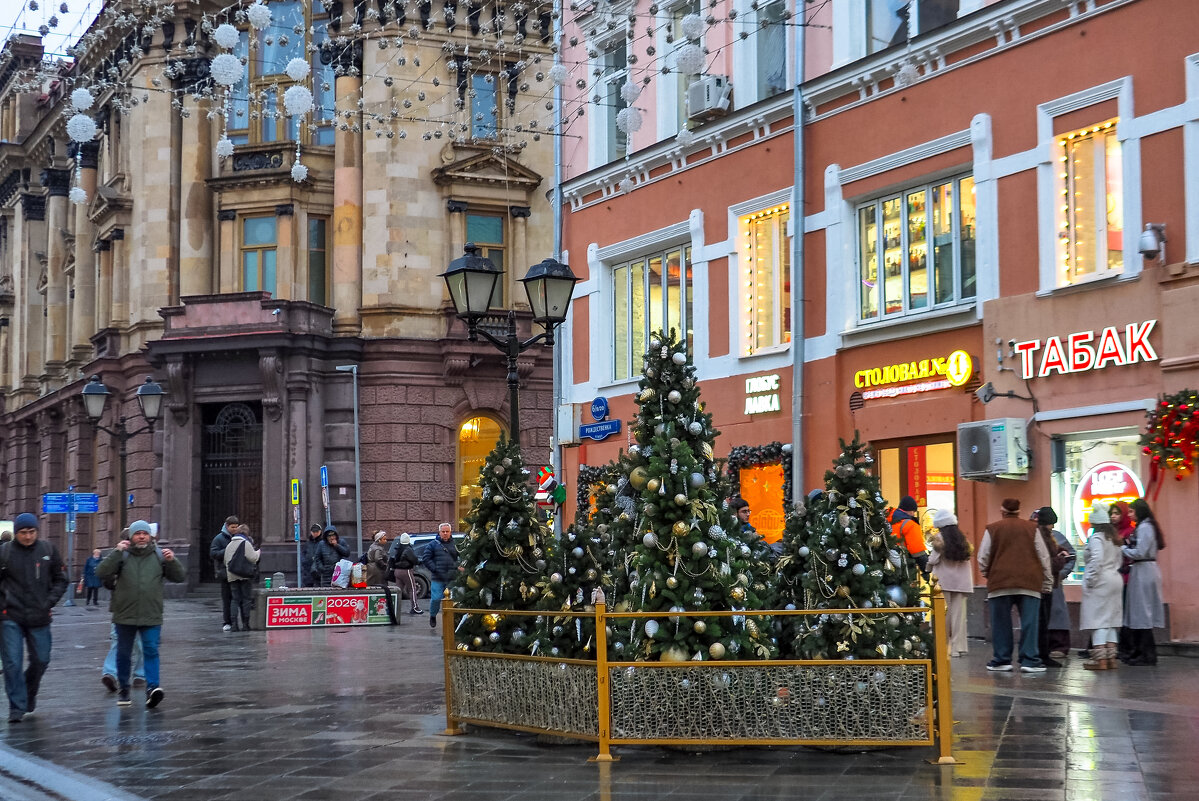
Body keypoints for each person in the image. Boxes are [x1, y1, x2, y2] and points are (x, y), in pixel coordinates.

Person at [96, 520, 186, 708]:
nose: (142, 536)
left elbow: (179, 577)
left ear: (151, 536)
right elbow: (101, 571)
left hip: (151, 613)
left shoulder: (160, 556)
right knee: (123, 653)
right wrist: (116, 552)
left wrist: (173, 561)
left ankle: (152, 688)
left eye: (145, 533)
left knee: (151, 650)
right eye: (138, 534)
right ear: (131, 536)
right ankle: (124, 690)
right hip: (124, 614)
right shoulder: (122, 555)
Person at [0, 513, 68, 723]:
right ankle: (17, 707)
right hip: (10, 615)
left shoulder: (48, 550)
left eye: (31, 532)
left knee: (41, 660)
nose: (28, 536)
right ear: (16, 533)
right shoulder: (5, 553)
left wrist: (49, 602)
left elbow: (61, 579)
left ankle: (29, 692)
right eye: (23, 533)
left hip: (39, 615)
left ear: (37, 531)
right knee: (12, 662)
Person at [977, 498, 1052, 673]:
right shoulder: (1032, 528)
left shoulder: (993, 528)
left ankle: (1002, 659)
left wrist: (989, 573)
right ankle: (1029, 660)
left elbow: (983, 556)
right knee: (1029, 623)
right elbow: (1044, 556)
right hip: (1029, 581)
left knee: (1001, 622)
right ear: (1019, 512)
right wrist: (1047, 581)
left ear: (1002, 512)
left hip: (1000, 581)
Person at [1080, 502, 1125, 670]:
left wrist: (1090, 579)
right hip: (1115, 579)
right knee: (1111, 620)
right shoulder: (1114, 538)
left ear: (1094, 523)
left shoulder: (1096, 538)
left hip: (1101, 582)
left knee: (1098, 620)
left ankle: (1101, 660)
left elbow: (1096, 559)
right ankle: (1111, 658)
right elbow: (1119, 560)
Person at [1122, 499, 1166, 666]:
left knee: (1142, 611)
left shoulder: (1145, 527)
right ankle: (1141, 651)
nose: (1130, 515)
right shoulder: (1145, 527)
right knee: (1141, 610)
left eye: (1132, 511)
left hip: (1143, 570)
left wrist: (1124, 549)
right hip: (1143, 570)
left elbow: (1140, 551)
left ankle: (1146, 653)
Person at [927, 510, 972, 658]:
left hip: (943, 582)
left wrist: (927, 568)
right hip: (961, 583)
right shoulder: (962, 539)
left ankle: (944, 644)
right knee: (958, 616)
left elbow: (933, 560)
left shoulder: (939, 539)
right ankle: (957, 648)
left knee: (944, 615)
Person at [1033, 507, 1075, 668]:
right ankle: (1041, 648)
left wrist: (1062, 573)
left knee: (1056, 613)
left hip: (1054, 584)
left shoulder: (1057, 537)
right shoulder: (1032, 536)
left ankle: (1059, 645)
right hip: (1037, 583)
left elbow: (1070, 556)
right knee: (1039, 616)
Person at [1110, 501, 1137, 661]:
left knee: (1124, 613)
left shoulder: (1129, 531)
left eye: (1117, 513)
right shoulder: (1111, 532)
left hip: (1125, 577)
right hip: (1113, 577)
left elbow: (1130, 554)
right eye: (1112, 513)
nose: (1113, 516)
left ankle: (1126, 647)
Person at [421, 523, 460, 629]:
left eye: (447, 531)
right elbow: (426, 558)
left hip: (452, 578)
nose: (445, 533)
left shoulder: (456, 544)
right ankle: (433, 616)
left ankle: (453, 621)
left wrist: (459, 567)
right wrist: (435, 569)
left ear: (450, 532)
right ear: (439, 532)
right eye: (443, 532)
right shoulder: (433, 544)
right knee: (436, 599)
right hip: (438, 577)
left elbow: (461, 557)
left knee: (454, 600)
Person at [224, 525, 260, 631]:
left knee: (235, 599)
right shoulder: (246, 543)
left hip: (232, 575)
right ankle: (245, 624)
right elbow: (253, 558)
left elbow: (226, 561)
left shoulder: (229, 544)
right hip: (244, 575)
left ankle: (234, 624)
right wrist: (258, 552)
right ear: (246, 533)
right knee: (246, 599)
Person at [210, 516, 238, 632]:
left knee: (236, 598)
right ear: (227, 526)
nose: (234, 529)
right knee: (227, 599)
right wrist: (227, 550)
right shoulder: (219, 538)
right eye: (232, 527)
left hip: (237, 572)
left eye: (236, 527)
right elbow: (213, 553)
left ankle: (236, 621)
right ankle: (227, 622)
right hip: (225, 573)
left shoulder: (238, 537)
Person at [891, 495, 928, 575]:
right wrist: (926, 570)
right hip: (905, 567)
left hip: (887, 565)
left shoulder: (888, 519)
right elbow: (918, 552)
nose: (913, 514)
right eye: (914, 511)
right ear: (910, 510)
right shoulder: (910, 524)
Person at [389, 533, 423, 615]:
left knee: (398, 590)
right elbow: (414, 560)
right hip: (406, 570)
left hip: (397, 571)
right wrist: (420, 562)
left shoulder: (397, 548)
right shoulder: (408, 549)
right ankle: (415, 607)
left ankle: (393, 608)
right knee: (412, 588)